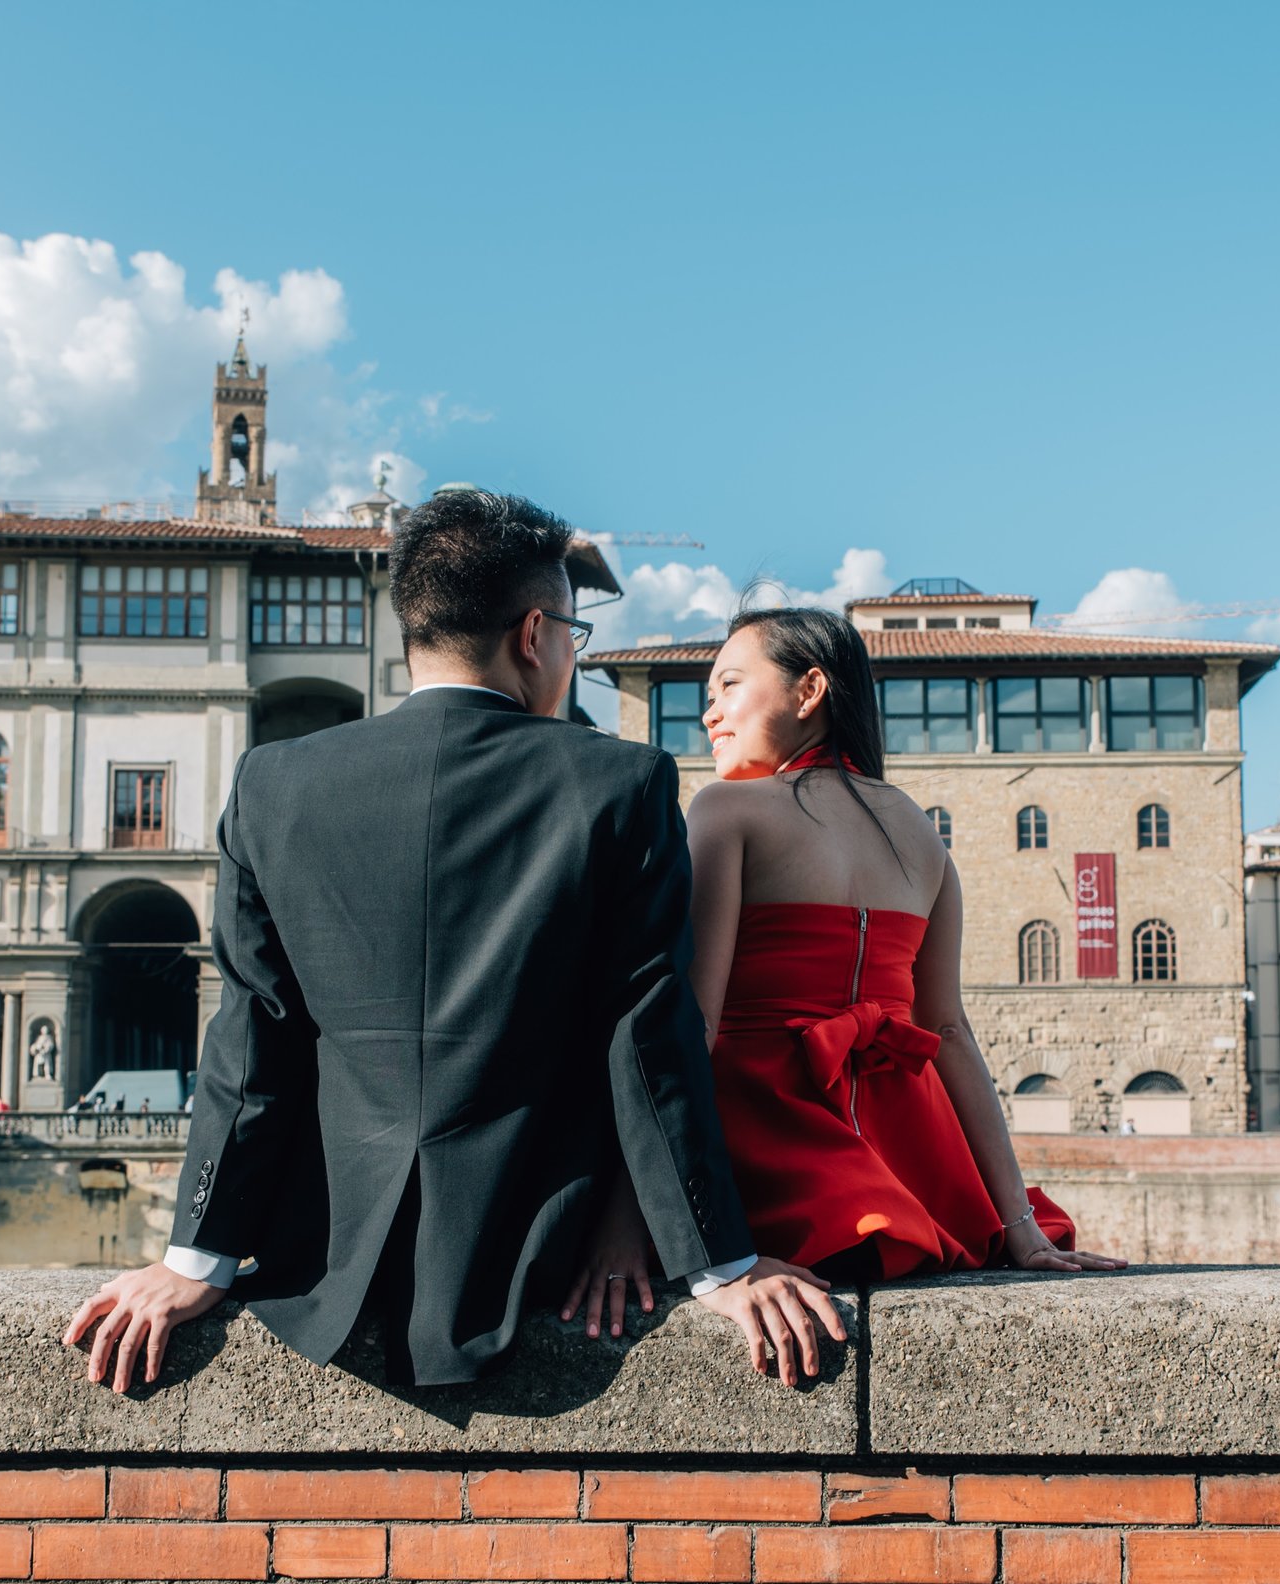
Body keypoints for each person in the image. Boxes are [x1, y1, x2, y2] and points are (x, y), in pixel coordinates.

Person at [65, 490, 843, 1392]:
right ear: (534, 634)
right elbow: (647, 1038)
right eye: (573, 639)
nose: (568, 658)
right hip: (542, 1250)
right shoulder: (622, 785)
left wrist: (193, 1258)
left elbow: (253, 1038)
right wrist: (720, 1265)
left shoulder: (272, 784)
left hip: (323, 1259)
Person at [567, 607, 1123, 1322]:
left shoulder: (725, 810)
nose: (710, 713)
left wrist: (628, 1217)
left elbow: (692, 1026)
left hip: (772, 1142)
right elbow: (949, 1033)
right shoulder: (923, 834)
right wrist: (1016, 1223)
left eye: (730, 685)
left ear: (809, 692)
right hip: (912, 1165)